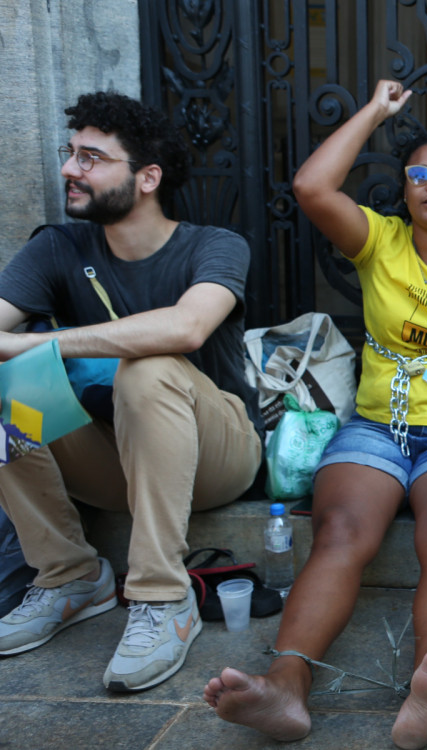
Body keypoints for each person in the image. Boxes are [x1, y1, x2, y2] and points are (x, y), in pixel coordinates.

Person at [203, 78, 427, 748]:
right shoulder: (379, 242)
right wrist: (377, 112)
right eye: (421, 174)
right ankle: (286, 689)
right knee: (338, 534)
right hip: (377, 429)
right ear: (406, 190)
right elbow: (311, 188)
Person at [0, 91, 263, 691]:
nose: (70, 170)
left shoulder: (214, 245)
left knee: (147, 366)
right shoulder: (57, 248)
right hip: (114, 461)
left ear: (147, 177)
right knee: (1, 383)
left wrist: (43, 345)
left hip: (218, 456)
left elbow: (187, 326)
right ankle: (69, 576)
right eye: (70, 154)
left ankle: (163, 598)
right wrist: (19, 355)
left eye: (91, 158)